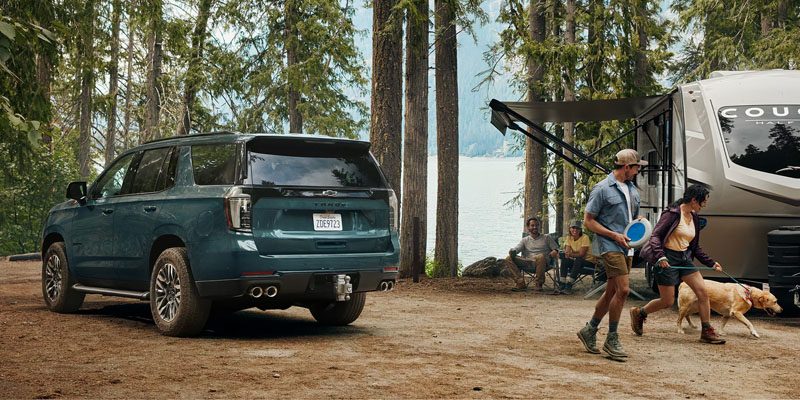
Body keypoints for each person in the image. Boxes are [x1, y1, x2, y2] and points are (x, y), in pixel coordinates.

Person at [630, 184, 726, 344]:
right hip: (667, 258)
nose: (705, 205)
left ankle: (706, 331)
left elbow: (695, 247)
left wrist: (711, 263)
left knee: (702, 292)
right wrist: (661, 257)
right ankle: (640, 313)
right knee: (667, 301)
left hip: (684, 258)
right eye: (703, 202)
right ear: (694, 200)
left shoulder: (694, 217)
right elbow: (655, 237)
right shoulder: (672, 214)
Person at [576, 149, 646, 360]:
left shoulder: (632, 189)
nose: (637, 171)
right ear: (627, 167)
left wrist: (638, 222)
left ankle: (590, 330)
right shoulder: (602, 189)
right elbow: (589, 221)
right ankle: (612, 338)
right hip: (609, 245)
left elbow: (630, 217)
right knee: (623, 290)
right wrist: (613, 235)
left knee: (611, 292)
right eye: (636, 167)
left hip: (627, 245)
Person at [505, 217, 559, 292]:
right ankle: (520, 283)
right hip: (528, 261)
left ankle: (538, 284)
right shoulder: (525, 240)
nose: (535, 227)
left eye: (536, 225)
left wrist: (555, 251)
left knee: (541, 256)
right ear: (528, 227)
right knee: (508, 258)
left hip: (541, 262)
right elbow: (517, 249)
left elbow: (557, 248)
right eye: (532, 225)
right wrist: (513, 251)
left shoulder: (546, 238)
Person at [559, 221, 599, 294]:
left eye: (577, 228)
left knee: (579, 260)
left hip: (590, 263)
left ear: (580, 230)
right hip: (578, 264)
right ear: (570, 229)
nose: (575, 230)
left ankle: (569, 284)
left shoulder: (585, 237)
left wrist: (569, 254)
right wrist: (564, 255)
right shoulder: (569, 238)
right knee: (565, 260)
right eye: (573, 228)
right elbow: (567, 253)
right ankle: (562, 283)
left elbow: (581, 254)